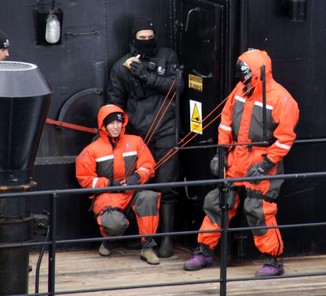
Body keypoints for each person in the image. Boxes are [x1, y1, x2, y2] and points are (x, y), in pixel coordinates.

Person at [183, 48, 299, 277]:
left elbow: (286, 138)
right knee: (218, 201)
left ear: (257, 73)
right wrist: (221, 153)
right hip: (236, 156)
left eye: (246, 75)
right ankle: (204, 251)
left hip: (262, 159)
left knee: (258, 209)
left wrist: (267, 164)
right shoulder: (240, 90)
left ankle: (274, 261)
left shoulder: (282, 99)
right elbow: (225, 123)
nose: (242, 80)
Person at [106, 17, 180, 258]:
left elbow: (177, 87)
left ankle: (167, 240)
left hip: (167, 129)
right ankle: (142, 238)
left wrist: (148, 76)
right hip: (137, 134)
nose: (147, 42)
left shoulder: (168, 56)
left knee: (168, 185)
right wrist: (115, 133)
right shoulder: (120, 67)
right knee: (138, 185)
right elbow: (114, 103)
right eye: (142, 38)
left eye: (151, 37)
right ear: (133, 39)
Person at [75, 104, 161, 265]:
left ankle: (148, 247)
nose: (115, 126)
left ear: (123, 123)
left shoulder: (136, 142)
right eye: (111, 123)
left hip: (131, 192)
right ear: (103, 125)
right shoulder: (91, 150)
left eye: (118, 122)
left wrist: (137, 176)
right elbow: (84, 178)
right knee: (114, 223)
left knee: (149, 197)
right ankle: (108, 242)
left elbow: (149, 166)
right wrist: (109, 183)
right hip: (107, 196)